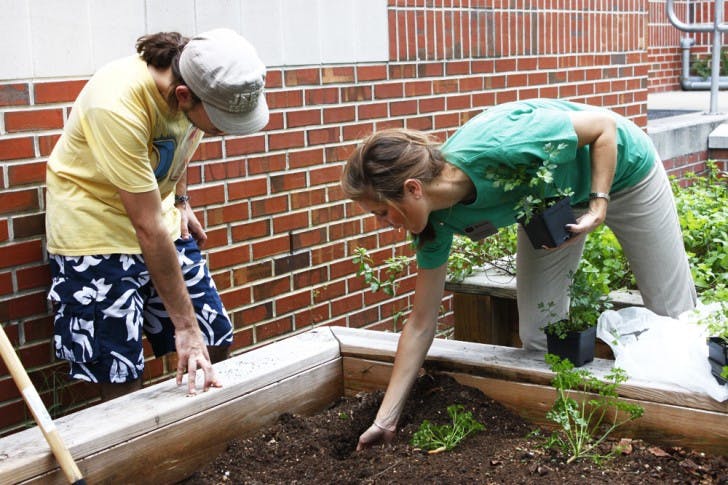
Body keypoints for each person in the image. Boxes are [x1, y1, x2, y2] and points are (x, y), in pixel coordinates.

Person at [340, 98, 697, 449]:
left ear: (412, 189)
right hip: (554, 201)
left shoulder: (500, 143)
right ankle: (568, 427)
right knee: (540, 332)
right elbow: (420, 324)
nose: (383, 225)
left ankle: (695, 421)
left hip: (624, 170)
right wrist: (384, 421)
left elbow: (604, 126)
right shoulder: (435, 222)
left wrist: (598, 202)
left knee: (673, 312)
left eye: (381, 212)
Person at [45, 28, 269, 400]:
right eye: (220, 122)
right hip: (93, 232)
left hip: (155, 218)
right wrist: (184, 329)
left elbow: (181, 142)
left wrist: (181, 201)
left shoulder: (195, 81)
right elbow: (147, 227)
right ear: (183, 95)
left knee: (213, 338)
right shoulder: (117, 104)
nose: (223, 133)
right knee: (121, 372)